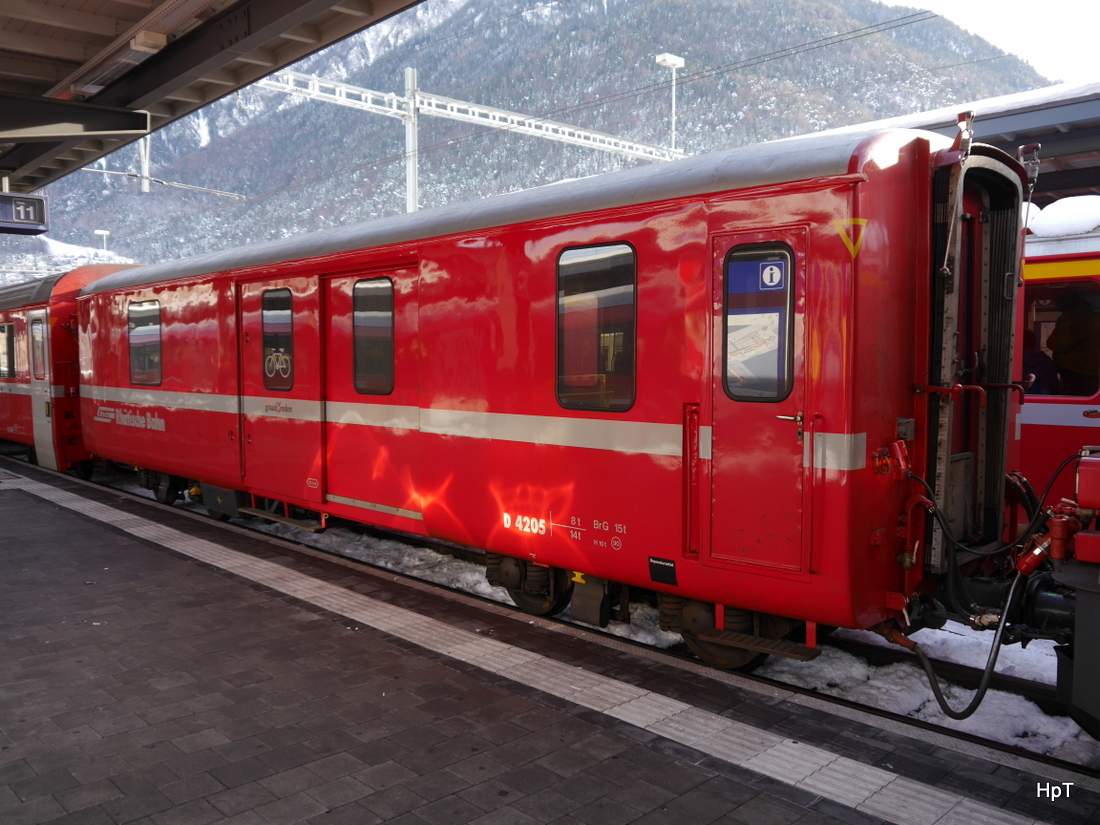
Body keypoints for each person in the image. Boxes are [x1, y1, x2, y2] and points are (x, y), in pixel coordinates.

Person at [1046, 291, 1100, 396]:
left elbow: (1053, 343)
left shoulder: (1071, 322)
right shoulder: (1092, 320)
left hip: (1075, 373)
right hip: (1090, 372)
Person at [1022, 329, 1059, 395]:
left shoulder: (1016, 362)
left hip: (1022, 393)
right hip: (1043, 392)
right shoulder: (1045, 359)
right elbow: (1054, 382)